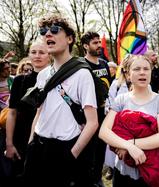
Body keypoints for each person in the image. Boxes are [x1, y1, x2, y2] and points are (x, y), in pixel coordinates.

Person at [22, 14, 98, 187]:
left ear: (70, 38)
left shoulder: (82, 74)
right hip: (38, 147)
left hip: (64, 149)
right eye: (43, 31)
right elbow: (39, 112)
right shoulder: (42, 75)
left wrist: (72, 155)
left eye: (55, 30)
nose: (48, 34)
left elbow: (92, 123)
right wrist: (30, 143)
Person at [99, 54, 159, 187]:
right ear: (128, 74)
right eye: (137, 69)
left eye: (146, 69)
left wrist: (132, 143)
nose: (142, 72)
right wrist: (129, 147)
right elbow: (104, 131)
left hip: (149, 171)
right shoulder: (121, 99)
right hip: (123, 171)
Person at [5, 41, 50, 186]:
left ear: (50, 55)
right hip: (21, 139)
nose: (37, 56)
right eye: (33, 52)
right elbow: (12, 113)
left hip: (47, 139)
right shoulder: (20, 80)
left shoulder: (56, 79)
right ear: (29, 54)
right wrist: (9, 143)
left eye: (42, 52)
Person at [81, 31, 111, 186]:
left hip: (104, 113)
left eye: (99, 42)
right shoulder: (82, 66)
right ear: (86, 46)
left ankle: (97, 178)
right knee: (88, 151)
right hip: (87, 115)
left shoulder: (104, 64)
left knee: (101, 149)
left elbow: (109, 87)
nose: (99, 45)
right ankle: (88, 180)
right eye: (95, 43)